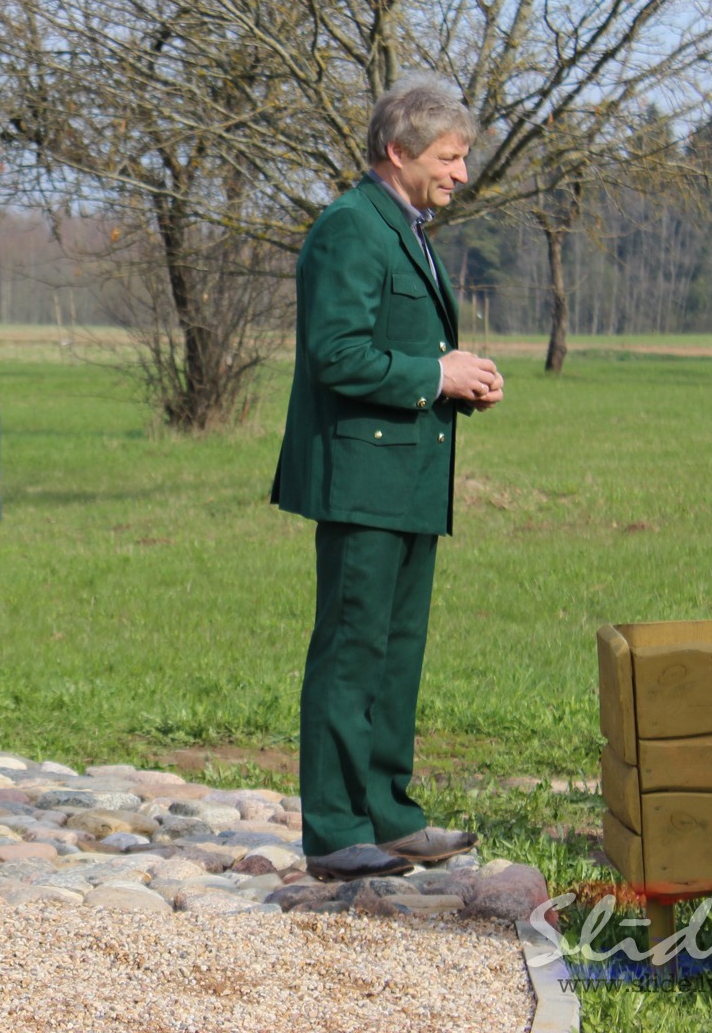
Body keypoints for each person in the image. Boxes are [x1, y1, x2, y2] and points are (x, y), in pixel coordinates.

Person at [271, 73, 503, 882]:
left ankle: (390, 816)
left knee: (397, 653)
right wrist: (436, 374)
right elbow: (336, 354)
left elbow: (395, 347)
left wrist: (458, 381)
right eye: (449, 157)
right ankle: (335, 831)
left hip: (407, 479)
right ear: (398, 151)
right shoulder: (350, 227)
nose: (461, 173)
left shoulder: (404, 226)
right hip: (360, 480)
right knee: (351, 650)